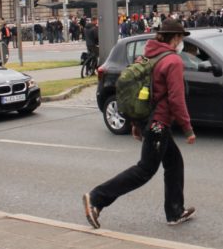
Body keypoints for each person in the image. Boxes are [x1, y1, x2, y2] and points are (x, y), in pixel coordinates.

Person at [83, 18, 196, 229]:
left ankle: (175, 211)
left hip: (148, 120)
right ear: (176, 38)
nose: (182, 43)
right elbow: (176, 99)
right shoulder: (172, 61)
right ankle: (97, 198)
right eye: (181, 38)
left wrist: (136, 123)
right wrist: (188, 128)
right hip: (158, 123)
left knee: (174, 162)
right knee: (144, 170)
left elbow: (138, 92)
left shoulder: (147, 55)